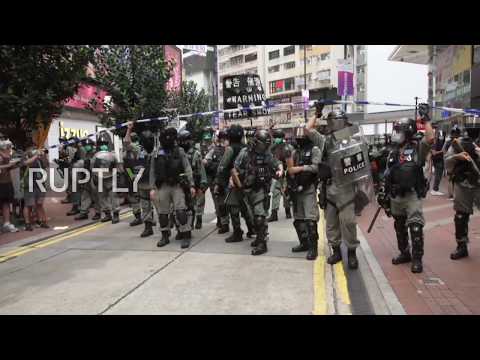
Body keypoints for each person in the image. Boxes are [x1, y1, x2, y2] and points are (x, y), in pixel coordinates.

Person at [305, 108, 371, 269]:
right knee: (331, 225)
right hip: (330, 188)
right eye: (330, 121)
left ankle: (351, 253)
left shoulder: (353, 140)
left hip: (347, 188)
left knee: (348, 222)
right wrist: (317, 113)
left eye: (335, 120)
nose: (332, 124)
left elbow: (361, 164)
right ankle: (336, 251)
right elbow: (308, 129)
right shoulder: (325, 141)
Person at [382, 105, 434, 273]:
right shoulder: (393, 152)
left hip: (412, 194)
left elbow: (430, 138)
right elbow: (387, 173)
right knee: (399, 225)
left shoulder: (418, 148)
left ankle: (417, 259)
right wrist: (383, 192)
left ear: (408, 132)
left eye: (400, 131)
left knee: (415, 226)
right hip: (396, 195)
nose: (397, 134)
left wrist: (426, 119)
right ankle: (404, 253)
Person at [232, 129, 283, 255]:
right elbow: (235, 169)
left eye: (266, 144)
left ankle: (262, 244)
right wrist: (238, 184)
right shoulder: (245, 153)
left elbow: (277, 164)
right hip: (247, 190)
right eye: (262, 144)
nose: (264, 147)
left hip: (261, 189)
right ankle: (259, 238)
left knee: (260, 216)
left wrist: (280, 170)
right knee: (253, 217)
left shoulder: (267, 154)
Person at [151, 127, 195, 249]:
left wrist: (191, 184)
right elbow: (153, 171)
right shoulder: (157, 152)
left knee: (181, 211)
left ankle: (186, 234)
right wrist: (152, 188)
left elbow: (187, 168)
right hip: (162, 186)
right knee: (162, 214)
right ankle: (165, 235)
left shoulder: (180, 151)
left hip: (177, 185)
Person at [444, 125, 480, 260]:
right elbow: (447, 162)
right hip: (463, 182)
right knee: (460, 216)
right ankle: (461, 246)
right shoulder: (456, 144)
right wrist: (457, 157)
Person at [214, 125, 255, 243]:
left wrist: (219, 182)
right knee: (245, 207)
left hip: (232, 182)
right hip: (245, 181)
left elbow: (222, 167)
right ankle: (251, 229)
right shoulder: (246, 147)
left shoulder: (230, 149)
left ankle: (237, 232)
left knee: (234, 208)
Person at [286, 126, 322, 260]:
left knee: (310, 221)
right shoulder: (295, 152)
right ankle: (304, 243)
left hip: (308, 189)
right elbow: (289, 169)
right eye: (297, 137)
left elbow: (316, 167)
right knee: (298, 220)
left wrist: (300, 168)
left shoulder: (314, 150)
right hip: (296, 190)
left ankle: (313, 248)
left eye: (301, 136)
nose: (299, 139)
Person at [178, 130, 208, 230]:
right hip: (182, 183)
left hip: (195, 181)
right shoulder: (178, 153)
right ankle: (187, 223)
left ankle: (198, 218)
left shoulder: (196, 153)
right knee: (186, 205)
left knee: (198, 203)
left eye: (186, 140)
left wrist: (202, 184)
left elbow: (201, 169)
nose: (184, 143)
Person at [91, 131, 120, 224]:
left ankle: (116, 214)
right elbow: (92, 168)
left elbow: (117, 166)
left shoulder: (112, 155)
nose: (103, 145)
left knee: (113, 196)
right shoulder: (95, 156)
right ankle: (107, 214)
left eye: (104, 144)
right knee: (102, 196)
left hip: (110, 178)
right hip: (99, 178)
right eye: (101, 144)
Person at [204, 129, 229, 232]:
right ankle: (222, 221)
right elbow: (205, 162)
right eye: (222, 138)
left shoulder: (230, 150)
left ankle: (225, 222)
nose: (223, 141)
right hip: (216, 181)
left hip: (228, 181)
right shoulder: (213, 150)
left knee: (228, 204)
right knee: (219, 204)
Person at [268, 129, 293, 222]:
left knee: (285, 192)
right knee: (276, 192)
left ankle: (288, 212)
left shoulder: (288, 147)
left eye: (277, 138)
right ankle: (275, 213)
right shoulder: (274, 148)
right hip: (277, 173)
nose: (275, 139)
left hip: (286, 172)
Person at [21, 146, 50, 230]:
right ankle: (27, 223)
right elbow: (26, 163)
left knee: (40, 204)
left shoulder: (39, 159)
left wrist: (44, 156)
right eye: (32, 149)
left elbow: (46, 165)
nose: (34, 150)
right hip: (29, 185)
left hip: (40, 184)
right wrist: (35, 156)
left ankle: (43, 221)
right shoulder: (25, 157)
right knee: (29, 205)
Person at [73, 138, 101, 221]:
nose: (86, 147)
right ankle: (83, 212)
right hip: (86, 176)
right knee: (85, 194)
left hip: (94, 176)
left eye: (88, 145)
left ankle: (98, 212)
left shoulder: (96, 153)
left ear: (92, 145)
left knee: (95, 196)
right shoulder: (86, 153)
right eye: (85, 145)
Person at [0, 136, 20, 232]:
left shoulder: (7, 155)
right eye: (8, 147)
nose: (9, 149)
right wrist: (9, 165)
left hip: (7, 182)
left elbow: (7, 166)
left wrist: (14, 165)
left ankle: (6, 223)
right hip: (1, 183)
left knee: (6, 203)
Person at [443, 125, 462, 200]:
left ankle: (451, 195)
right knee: (456, 179)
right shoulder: (460, 141)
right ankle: (456, 195)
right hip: (458, 161)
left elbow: (443, 151)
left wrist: (446, 157)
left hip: (449, 161)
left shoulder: (448, 141)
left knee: (450, 179)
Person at [430, 128, 446, 196]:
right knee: (438, 175)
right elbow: (433, 153)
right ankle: (434, 189)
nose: (441, 137)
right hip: (437, 160)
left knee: (439, 175)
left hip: (439, 160)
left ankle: (435, 189)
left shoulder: (439, 142)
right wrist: (442, 151)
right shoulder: (435, 142)